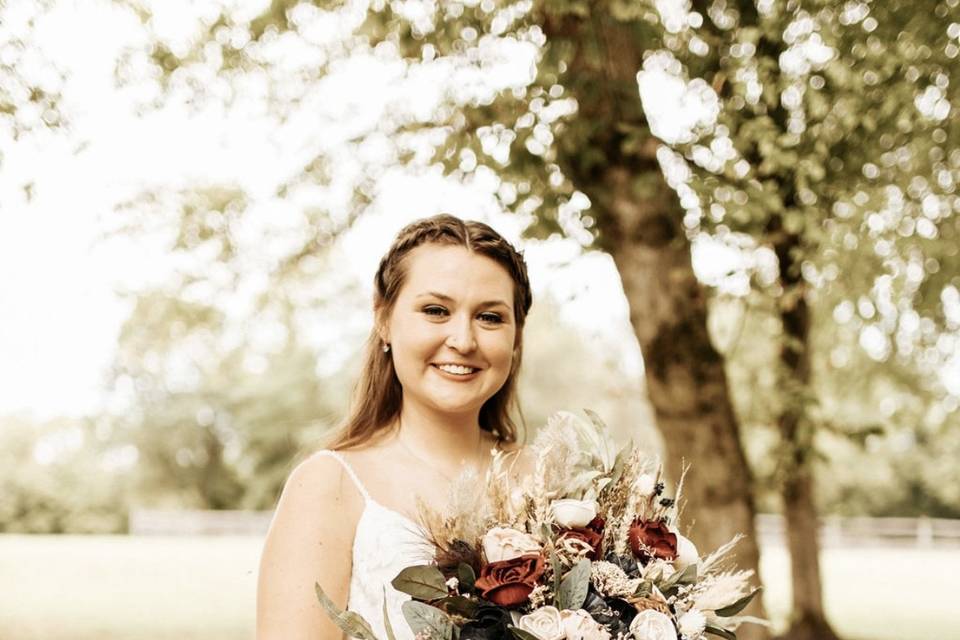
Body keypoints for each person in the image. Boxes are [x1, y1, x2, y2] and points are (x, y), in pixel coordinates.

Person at [256, 214, 534, 640]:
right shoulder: (329, 485)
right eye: (436, 311)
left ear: (515, 338)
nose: (463, 340)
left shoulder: (554, 484)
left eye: (490, 318)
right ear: (383, 319)